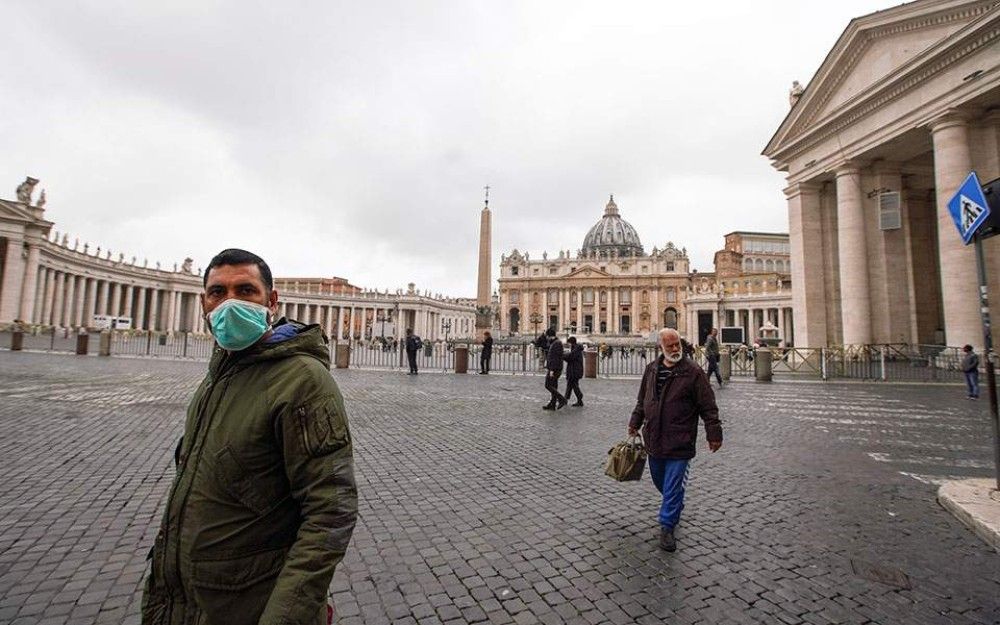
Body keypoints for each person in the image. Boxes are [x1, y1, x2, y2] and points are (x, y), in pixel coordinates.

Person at [141, 248, 358, 625]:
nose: (229, 303)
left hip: (252, 603)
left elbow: (331, 510)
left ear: (271, 301)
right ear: (204, 304)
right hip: (188, 601)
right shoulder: (219, 373)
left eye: (245, 290)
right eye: (217, 293)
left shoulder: (303, 380)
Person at [628, 328, 722, 552]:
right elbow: (643, 400)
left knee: (671, 484)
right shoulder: (651, 370)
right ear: (661, 346)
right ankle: (675, 501)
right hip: (655, 436)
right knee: (660, 479)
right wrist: (635, 421)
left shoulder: (693, 372)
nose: (675, 349)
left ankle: (667, 526)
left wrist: (714, 432)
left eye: (677, 345)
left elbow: (707, 405)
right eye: (670, 345)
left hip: (681, 438)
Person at [542, 328, 566, 410]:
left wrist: (551, 370)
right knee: (554, 386)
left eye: (547, 336)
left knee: (548, 385)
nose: (546, 338)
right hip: (556, 367)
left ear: (549, 336)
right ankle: (552, 404)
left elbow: (555, 358)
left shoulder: (556, 344)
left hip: (555, 368)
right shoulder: (555, 343)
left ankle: (562, 399)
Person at [563, 336, 584, 407]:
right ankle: (565, 399)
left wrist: (562, 355)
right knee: (570, 385)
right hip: (574, 370)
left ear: (571, 342)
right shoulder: (575, 348)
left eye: (568, 343)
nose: (568, 345)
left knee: (574, 385)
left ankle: (580, 397)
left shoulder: (576, 349)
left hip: (575, 371)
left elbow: (570, 357)